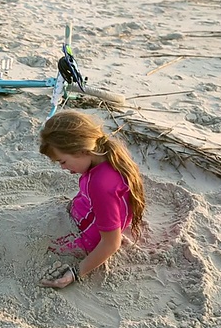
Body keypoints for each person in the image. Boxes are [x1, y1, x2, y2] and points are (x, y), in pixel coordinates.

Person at [38, 110, 145, 288]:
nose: (62, 168)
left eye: (62, 161)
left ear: (82, 150)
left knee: (36, 244)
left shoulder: (101, 184)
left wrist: (75, 273)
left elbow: (111, 243)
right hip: (83, 214)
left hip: (87, 238)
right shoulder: (105, 155)